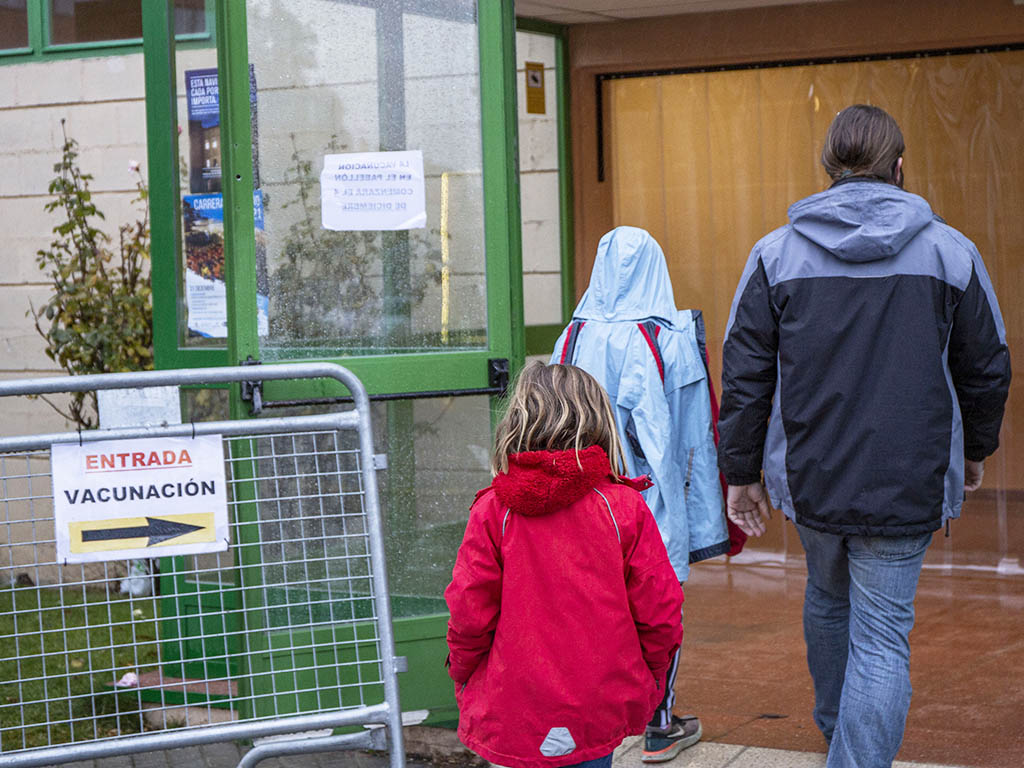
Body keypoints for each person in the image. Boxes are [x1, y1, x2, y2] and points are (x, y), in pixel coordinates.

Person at [717, 104, 1011, 768]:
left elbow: (744, 374)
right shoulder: (950, 251)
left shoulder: (774, 254)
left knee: (827, 597)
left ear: (828, 168)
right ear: (900, 167)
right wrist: (973, 452)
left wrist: (741, 474)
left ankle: (838, 733)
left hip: (812, 479)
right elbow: (987, 367)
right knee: (881, 637)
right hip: (910, 477)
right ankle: (853, 751)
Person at [552, 225, 738, 761]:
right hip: (649, 501)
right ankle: (659, 722)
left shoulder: (571, 335)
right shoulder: (667, 339)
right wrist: (701, 518)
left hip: (585, 498)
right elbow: (692, 435)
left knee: (593, 607)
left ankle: (598, 712)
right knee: (657, 608)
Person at [445, 362, 683, 768]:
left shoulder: (493, 511)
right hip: (599, 698)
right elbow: (660, 610)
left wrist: (463, 671)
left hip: (515, 698)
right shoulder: (623, 508)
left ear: (517, 423)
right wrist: (652, 674)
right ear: (598, 422)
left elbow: (469, 610)